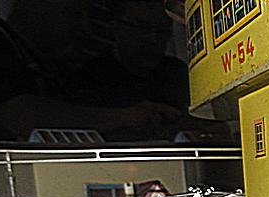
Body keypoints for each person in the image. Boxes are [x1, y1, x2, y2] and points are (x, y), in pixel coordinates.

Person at [0, 0, 179, 145]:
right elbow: (22, 117)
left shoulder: (53, 67)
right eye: (73, 14)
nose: (84, 28)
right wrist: (125, 116)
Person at [75, 0, 190, 140]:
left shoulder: (177, 72)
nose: (153, 38)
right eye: (142, 28)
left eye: (162, 30)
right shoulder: (91, 78)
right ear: (116, 29)